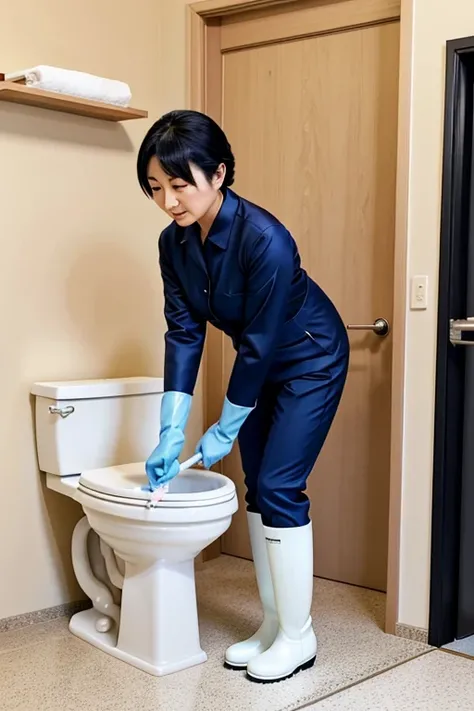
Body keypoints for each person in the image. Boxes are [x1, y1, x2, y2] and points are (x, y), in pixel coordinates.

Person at [136, 110, 349, 684]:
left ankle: (299, 638)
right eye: (156, 187)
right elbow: (183, 330)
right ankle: (275, 626)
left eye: (180, 184)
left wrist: (226, 423)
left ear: (219, 173)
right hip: (259, 370)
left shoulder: (266, 240)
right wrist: (171, 429)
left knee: (280, 484)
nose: (169, 201)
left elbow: (255, 345)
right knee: (259, 489)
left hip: (309, 360)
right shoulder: (173, 244)